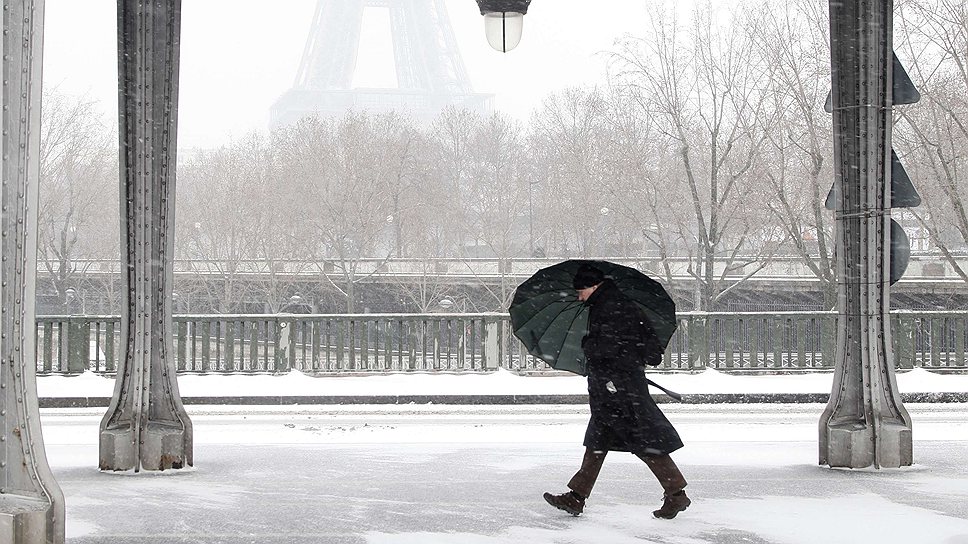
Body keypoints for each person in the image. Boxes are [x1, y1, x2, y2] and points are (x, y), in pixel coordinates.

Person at [543, 263, 691, 519]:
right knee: (599, 441)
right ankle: (577, 496)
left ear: (594, 286)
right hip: (617, 386)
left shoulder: (611, 308)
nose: (579, 296)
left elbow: (609, 348)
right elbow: (642, 347)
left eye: (581, 290)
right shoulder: (614, 305)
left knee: (641, 440)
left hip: (617, 388)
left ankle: (676, 493)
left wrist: (589, 345)